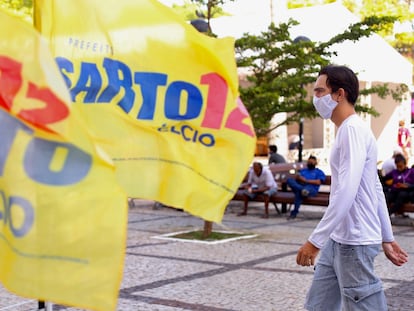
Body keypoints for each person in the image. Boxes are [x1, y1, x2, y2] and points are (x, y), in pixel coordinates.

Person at [297, 65, 408, 311]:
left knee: (364, 305)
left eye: (320, 91)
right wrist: (387, 237)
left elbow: (346, 191)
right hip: (339, 239)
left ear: (339, 94)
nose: (315, 98)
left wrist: (315, 241)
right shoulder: (346, 131)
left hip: (353, 242)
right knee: (318, 306)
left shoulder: (353, 131)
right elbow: (374, 187)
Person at [286, 155, 326, 220]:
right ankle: (302, 190)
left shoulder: (319, 172)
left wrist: (306, 181)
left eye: (312, 162)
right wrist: (299, 177)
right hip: (301, 186)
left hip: (311, 189)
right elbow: (297, 177)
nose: (310, 163)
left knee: (300, 193)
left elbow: (318, 182)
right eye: (309, 162)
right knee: (290, 180)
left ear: (315, 163)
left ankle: (294, 213)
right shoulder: (303, 170)